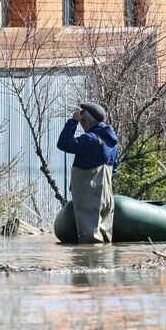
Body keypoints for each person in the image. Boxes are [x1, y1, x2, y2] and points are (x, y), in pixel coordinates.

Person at [56, 101, 119, 244]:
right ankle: (105, 264)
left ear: (88, 121)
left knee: (90, 239)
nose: (82, 125)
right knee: (105, 236)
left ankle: (91, 265)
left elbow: (63, 143)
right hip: (107, 196)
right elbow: (115, 168)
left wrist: (73, 121)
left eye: (83, 121)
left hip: (89, 196)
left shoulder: (90, 139)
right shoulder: (112, 142)